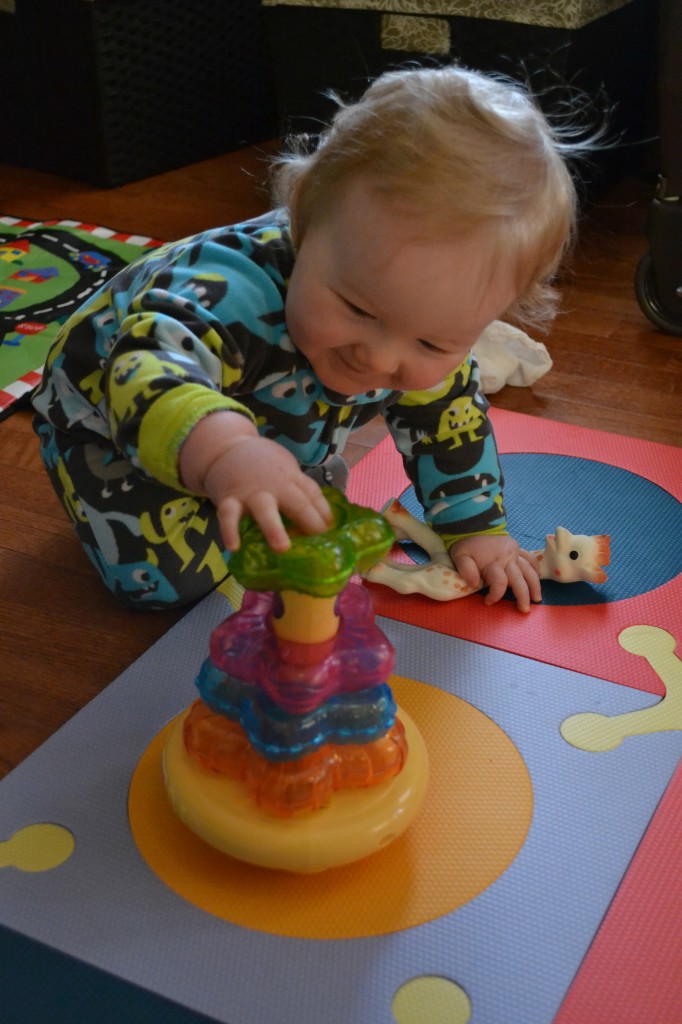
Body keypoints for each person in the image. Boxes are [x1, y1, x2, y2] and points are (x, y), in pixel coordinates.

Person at [32, 64, 579, 614]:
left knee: (315, 486)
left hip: (251, 401)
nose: (380, 357)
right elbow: (148, 369)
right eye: (358, 308)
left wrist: (476, 530)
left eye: (433, 345)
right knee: (167, 583)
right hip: (109, 413)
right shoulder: (229, 292)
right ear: (304, 216)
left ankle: (269, 456)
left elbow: (449, 424)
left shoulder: (417, 325)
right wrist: (228, 453)